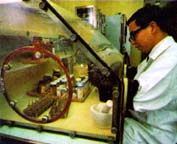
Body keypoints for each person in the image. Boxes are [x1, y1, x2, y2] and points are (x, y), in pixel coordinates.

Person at [123, 4, 177, 144]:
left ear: (152, 27)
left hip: (157, 134)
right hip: (145, 122)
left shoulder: (172, 57)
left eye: (134, 34)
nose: (133, 42)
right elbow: (137, 75)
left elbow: (137, 95)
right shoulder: (156, 54)